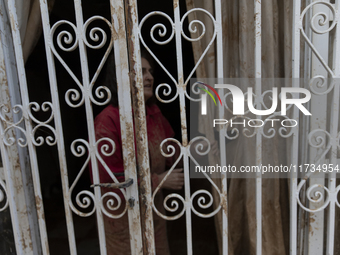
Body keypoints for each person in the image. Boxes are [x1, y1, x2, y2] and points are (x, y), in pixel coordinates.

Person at [93, 50, 184, 255]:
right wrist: (158, 181)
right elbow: (110, 179)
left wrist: (195, 150)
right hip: (123, 219)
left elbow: (172, 152)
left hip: (155, 214)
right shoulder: (108, 121)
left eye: (150, 71)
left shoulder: (153, 114)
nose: (150, 77)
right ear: (123, 78)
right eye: (141, 71)